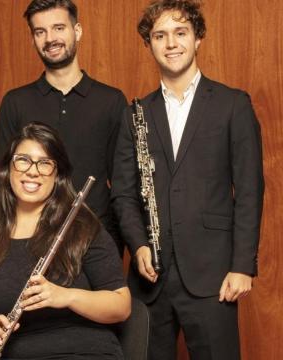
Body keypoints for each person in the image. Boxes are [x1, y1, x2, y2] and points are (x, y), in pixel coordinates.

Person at [111, 1, 264, 359]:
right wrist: (138, 245)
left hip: (214, 274)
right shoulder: (136, 114)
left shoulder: (233, 105)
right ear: (148, 44)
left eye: (181, 33)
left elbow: (250, 191)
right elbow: (123, 194)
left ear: (198, 39)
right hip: (151, 275)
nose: (171, 43)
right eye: (160, 36)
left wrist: (242, 266)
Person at [0, 122, 131, 359]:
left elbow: (121, 306)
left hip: (81, 353)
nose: (33, 171)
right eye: (23, 160)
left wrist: (66, 296)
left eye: (45, 163)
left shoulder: (82, 227)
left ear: (57, 175)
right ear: (8, 168)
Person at [0, 0, 127, 254]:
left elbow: (121, 187)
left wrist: (111, 244)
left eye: (58, 28)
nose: (50, 38)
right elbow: (3, 184)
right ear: (32, 39)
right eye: (40, 32)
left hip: (94, 243)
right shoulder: (15, 102)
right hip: (29, 244)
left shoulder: (111, 101)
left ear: (77, 31)